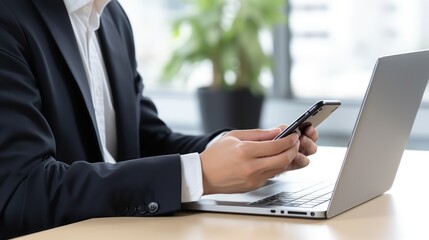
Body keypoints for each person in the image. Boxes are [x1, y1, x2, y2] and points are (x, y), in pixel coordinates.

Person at [0, 0, 318, 238]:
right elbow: (22, 192)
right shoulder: (9, 17)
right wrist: (199, 173)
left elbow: (146, 139)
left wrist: (242, 150)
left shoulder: (112, 18)